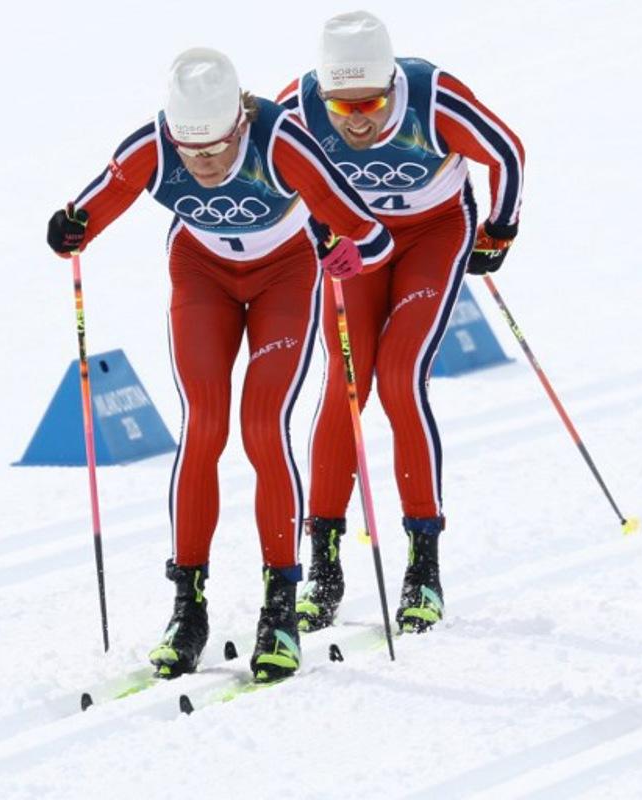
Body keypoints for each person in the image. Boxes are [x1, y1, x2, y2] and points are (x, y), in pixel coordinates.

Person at [45, 47, 393, 682]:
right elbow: (89, 208)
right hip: (201, 274)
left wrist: (352, 253)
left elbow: (370, 231)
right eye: (189, 151)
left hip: (285, 278)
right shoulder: (152, 146)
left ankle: (281, 604)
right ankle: (188, 606)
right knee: (204, 425)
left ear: (239, 125)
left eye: (215, 150)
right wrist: (69, 230)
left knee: (263, 429)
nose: (202, 165)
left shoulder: (282, 140)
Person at [277, 11, 525, 634]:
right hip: (357, 242)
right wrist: (316, 232)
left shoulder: (433, 97)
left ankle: (424, 567)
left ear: (391, 87)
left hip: (433, 236)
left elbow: (507, 154)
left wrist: (500, 229)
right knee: (344, 384)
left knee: (397, 376)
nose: (356, 118)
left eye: (370, 102)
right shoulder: (298, 107)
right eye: (342, 106)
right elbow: (277, 181)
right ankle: (325, 567)